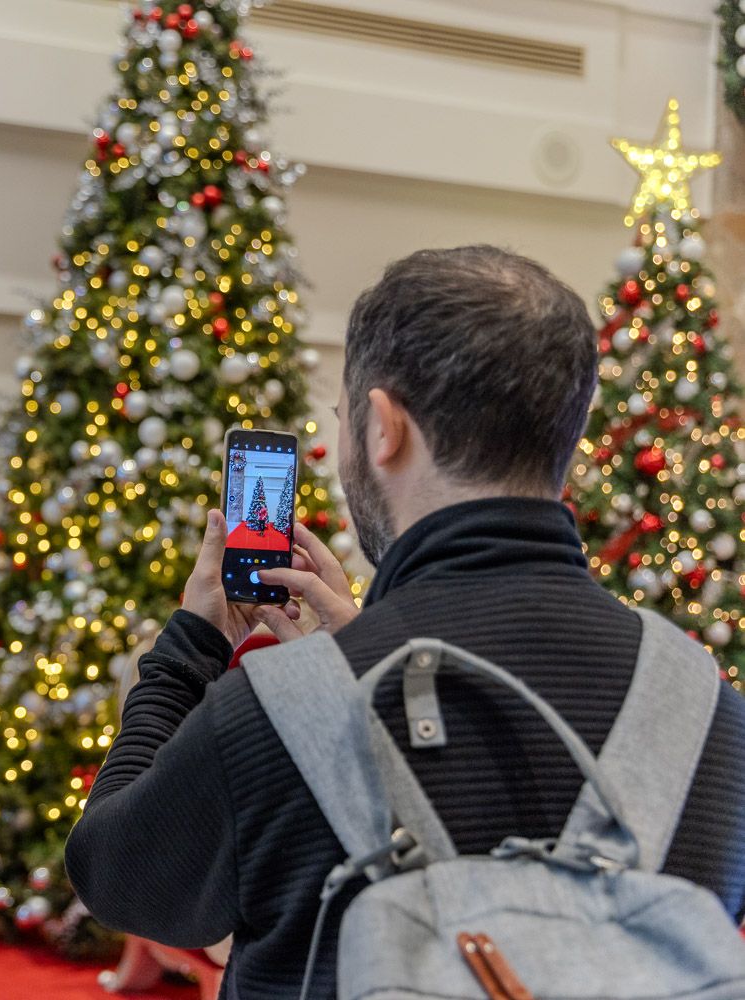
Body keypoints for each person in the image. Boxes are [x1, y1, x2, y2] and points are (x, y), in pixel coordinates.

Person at [64, 246, 745, 997]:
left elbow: (114, 872)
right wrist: (360, 644)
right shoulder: (711, 710)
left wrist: (192, 650)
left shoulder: (273, 715)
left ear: (384, 427)